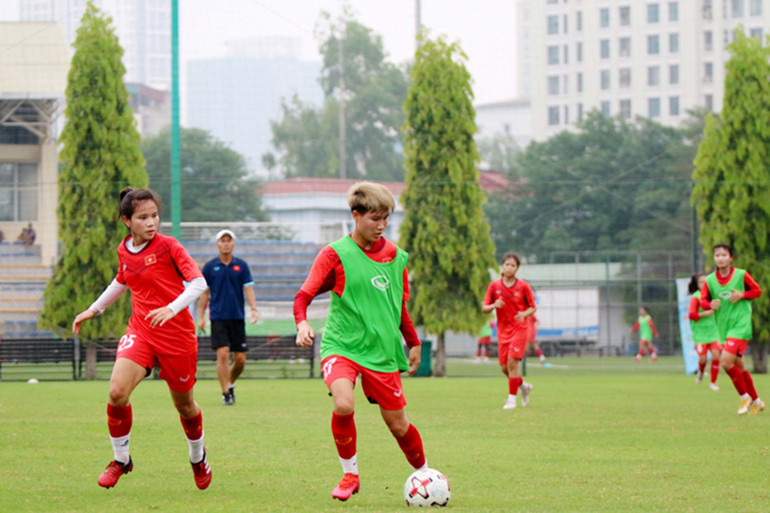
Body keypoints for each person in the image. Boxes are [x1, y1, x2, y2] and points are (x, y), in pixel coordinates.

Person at [294, 181, 428, 502]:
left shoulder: (396, 257)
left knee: (398, 425)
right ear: (356, 216)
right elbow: (303, 296)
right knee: (343, 403)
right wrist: (302, 324)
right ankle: (350, 474)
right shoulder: (334, 254)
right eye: (374, 218)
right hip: (343, 346)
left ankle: (425, 475)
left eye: (386, 219)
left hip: (381, 351)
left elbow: (400, 307)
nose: (381, 226)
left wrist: (414, 342)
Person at [72, 187, 212, 490]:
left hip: (177, 337)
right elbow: (122, 279)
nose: (152, 222)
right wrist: (93, 309)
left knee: (185, 406)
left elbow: (198, 282)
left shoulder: (169, 246)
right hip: (142, 331)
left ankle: (197, 457)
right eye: (143, 217)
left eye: (155, 216)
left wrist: (172, 309)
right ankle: (121, 459)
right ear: (127, 220)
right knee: (117, 391)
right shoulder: (125, 249)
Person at [700, 243, 764, 415]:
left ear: (731, 257)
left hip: (740, 327)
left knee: (725, 362)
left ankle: (744, 397)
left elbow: (758, 291)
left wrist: (742, 294)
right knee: (740, 368)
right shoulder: (710, 280)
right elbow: (703, 301)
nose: (720, 258)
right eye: (717, 255)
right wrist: (709, 304)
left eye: (723, 254)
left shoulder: (742, 275)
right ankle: (757, 402)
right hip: (724, 329)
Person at [198, 229, 258, 405]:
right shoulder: (210, 267)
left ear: (233, 244)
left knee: (240, 360)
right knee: (223, 354)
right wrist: (201, 316)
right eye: (222, 240)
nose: (225, 243)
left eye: (228, 240)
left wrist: (254, 309)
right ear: (218, 244)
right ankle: (226, 393)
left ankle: (229, 383)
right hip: (218, 317)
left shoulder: (242, 265)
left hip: (237, 317)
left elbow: (248, 288)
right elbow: (204, 292)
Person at [482, 252, 537, 410]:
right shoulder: (494, 286)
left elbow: (533, 307)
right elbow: (484, 307)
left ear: (517, 268)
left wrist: (524, 314)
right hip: (502, 331)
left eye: (513, 265)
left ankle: (511, 400)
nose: (509, 268)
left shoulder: (523, 286)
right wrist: (494, 305)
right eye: (507, 264)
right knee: (505, 368)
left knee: (512, 363)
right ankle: (524, 387)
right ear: (503, 266)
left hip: (519, 329)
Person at [688, 273, 721, 391]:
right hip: (700, 334)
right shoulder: (696, 297)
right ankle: (701, 373)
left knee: (716, 356)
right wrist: (707, 313)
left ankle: (713, 382)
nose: (705, 284)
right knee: (703, 359)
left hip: (714, 332)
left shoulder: (714, 296)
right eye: (702, 282)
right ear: (697, 285)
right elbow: (692, 315)